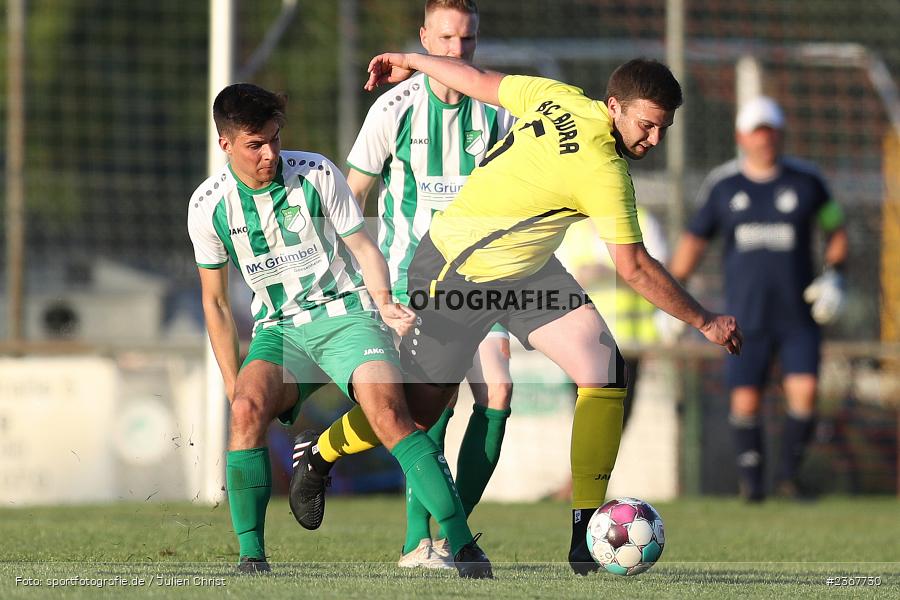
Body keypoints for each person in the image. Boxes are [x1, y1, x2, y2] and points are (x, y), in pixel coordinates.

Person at [290, 53, 742, 577]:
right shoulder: (602, 168)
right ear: (614, 106)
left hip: (526, 270)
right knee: (417, 412)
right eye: (646, 125)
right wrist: (706, 321)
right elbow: (634, 266)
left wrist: (415, 61)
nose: (653, 139)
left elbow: (479, 81)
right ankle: (319, 454)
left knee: (603, 368)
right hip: (457, 270)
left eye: (663, 128)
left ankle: (586, 535)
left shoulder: (560, 96)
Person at [187, 83, 492, 578]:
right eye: (255, 144)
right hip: (280, 331)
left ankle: (462, 546)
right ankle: (252, 558)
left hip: (345, 316)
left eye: (274, 139)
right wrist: (231, 379)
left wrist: (384, 302)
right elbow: (216, 302)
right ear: (225, 144)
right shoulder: (207, 205)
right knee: (245, 410)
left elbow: (364, 248)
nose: (270, 153)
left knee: (393, 415)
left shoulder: (315, 173)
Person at [292, 0, 515, 570]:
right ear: (422, 38)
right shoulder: (394, 109)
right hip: (412, 283)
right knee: (425, 413)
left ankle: (450, 533)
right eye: (444, 39)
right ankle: (422, 545)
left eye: (466, 41)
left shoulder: (500, 112)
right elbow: (351, 199)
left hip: (482, 281)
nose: (455, 52)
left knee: (498, 394)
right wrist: (355, 282)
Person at [669, 96, 848, 502]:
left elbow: (836, 229)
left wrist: (836, 276)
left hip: (798, 315)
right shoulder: (724, 185)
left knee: (804, 393)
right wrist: (672, 298)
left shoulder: (807, 182)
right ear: (741, 137)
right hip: (744, 317)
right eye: (756, 132)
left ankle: (788, 477)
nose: (764, 140)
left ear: (780, 134)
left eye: (770, 131)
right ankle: (752, 486)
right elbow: (693, 244)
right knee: (745, 399)